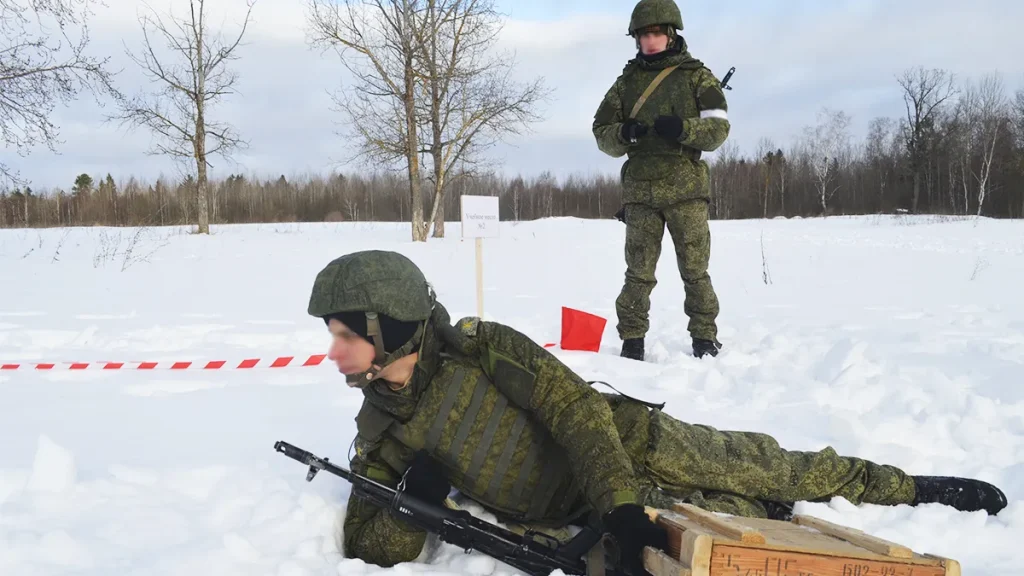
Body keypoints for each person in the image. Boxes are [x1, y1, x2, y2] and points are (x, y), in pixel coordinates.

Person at [308, 250, 1008, 576]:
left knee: (775, 466)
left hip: (628, 446)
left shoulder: (482, 350)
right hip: (583, 515)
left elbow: (575, 411)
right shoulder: (383, 428)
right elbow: (364, 543)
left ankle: (907, 488)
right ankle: (780, 511)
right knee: (734, 523)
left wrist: (617, 502)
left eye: (346, 334)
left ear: (393, 325)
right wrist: (407, 508)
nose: (334, 351)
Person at [592, 0, 729, 361]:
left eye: (655, 33)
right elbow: (601, 133)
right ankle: (632, 340)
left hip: (686, 190)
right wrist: (625, 132)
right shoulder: (625, 84)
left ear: (670, 34)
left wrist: (684, 129)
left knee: (695, 270)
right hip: (640, 192)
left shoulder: (697, 76)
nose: (649, 40)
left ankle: (704, 337)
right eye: (643, 34)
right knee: (637, 272)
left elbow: (717, 130)